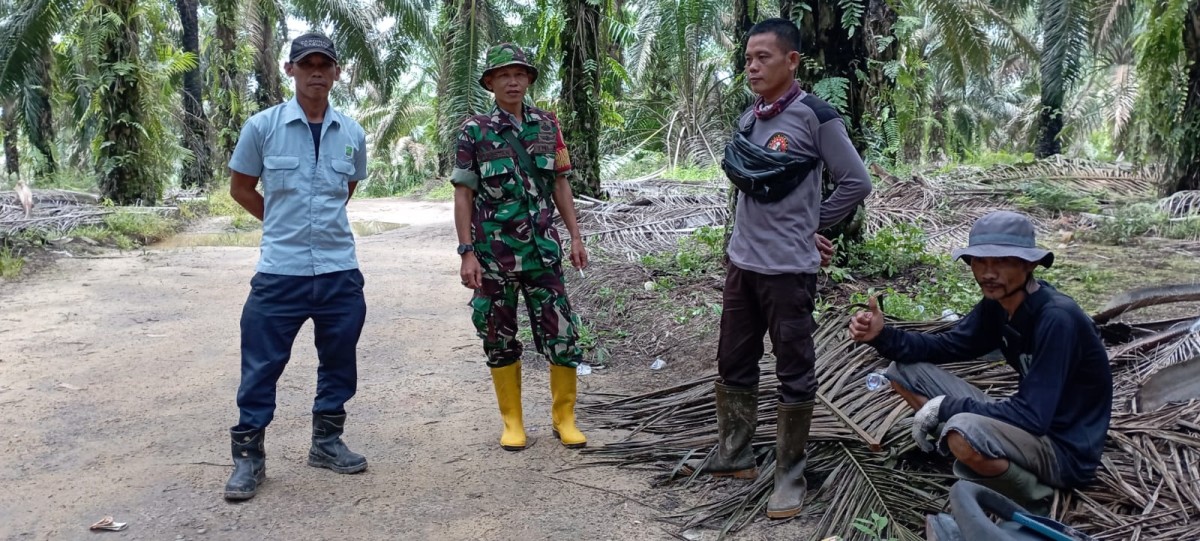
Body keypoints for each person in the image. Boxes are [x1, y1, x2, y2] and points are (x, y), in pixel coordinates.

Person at [681, 18, 873, 520]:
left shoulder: (816, 116)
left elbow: (856, 181)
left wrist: (814, 223)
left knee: (794, 370)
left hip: (788, 271)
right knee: (733, 361)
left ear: (792, 61)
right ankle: (735, 454)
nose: (752, 66)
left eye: (763, 57)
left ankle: (790, 474)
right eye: (748, 58)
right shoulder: (751, 117)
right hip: (742, 264)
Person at [848, 210, 1113, 515]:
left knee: (962, 430)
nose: (988, 273)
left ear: (1029, 264)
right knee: (903, 371)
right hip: (1026, 427)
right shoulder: (998, 306)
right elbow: (946, 345)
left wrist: (944, 407)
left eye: (1002, 262)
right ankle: (969, 454)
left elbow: (1033, 416)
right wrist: (882, 336)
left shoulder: (1056, 318)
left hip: (1063, 450)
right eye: (980, 261)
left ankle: (1034, 497)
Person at [223, 32, 370, 501]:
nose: (316, 73)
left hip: (338, 270)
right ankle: (249, 458)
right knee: (261, 365)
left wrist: (314, 222)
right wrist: (281, 222)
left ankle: (326, 443)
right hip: (279, 272)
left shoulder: (352, 133)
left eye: (325, 65)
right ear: (290, 70)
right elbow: (241, 188)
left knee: (339, 360)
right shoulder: (262, 127)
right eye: (307, 65)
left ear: (337, 73)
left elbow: (345, 190)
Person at [450, 43, 589, 452]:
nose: (513, 81)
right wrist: (466, 251)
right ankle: (512, 422)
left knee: (563, 333)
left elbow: (560, 183)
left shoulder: (548, 126)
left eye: (519, 74)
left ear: (528, 79)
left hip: (543, 252)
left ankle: (564, 418)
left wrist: (575, 236)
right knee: (498, 335)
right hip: (494, 255)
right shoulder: (474, 131)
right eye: (503, 75)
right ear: (490, 82)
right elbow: (463, 194)